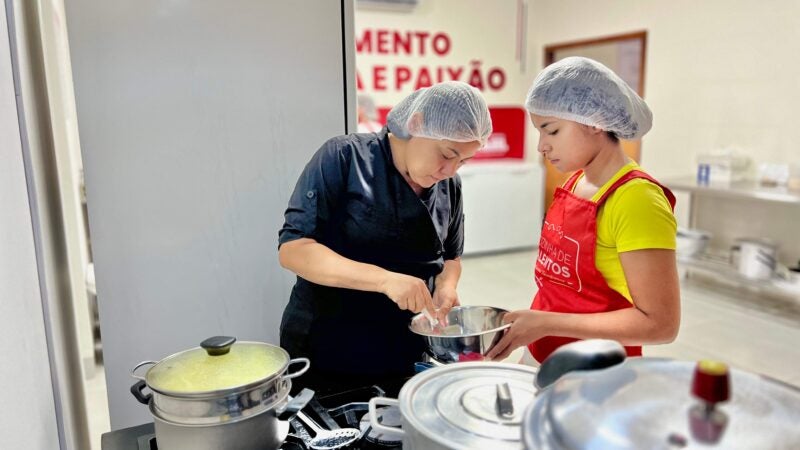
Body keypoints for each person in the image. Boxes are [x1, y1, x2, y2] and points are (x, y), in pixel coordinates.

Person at [279, 81, 492, 392]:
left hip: (403, 346)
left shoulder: (450, 185)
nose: (451, 170)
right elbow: (294, 250)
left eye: (463, 161)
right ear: (416, 124)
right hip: (329, 345)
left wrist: (447, 285)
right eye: (448, 154)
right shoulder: (343, 157)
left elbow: (450, 255)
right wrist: (385, 280)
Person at [486, 57, 680, 363]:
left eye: (551, 130)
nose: (541, 146)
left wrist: (546, 322)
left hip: (599, 372)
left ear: (594, 121)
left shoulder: (637, 200)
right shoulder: (576, 181)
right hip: (544, 353)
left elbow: (661, 325)